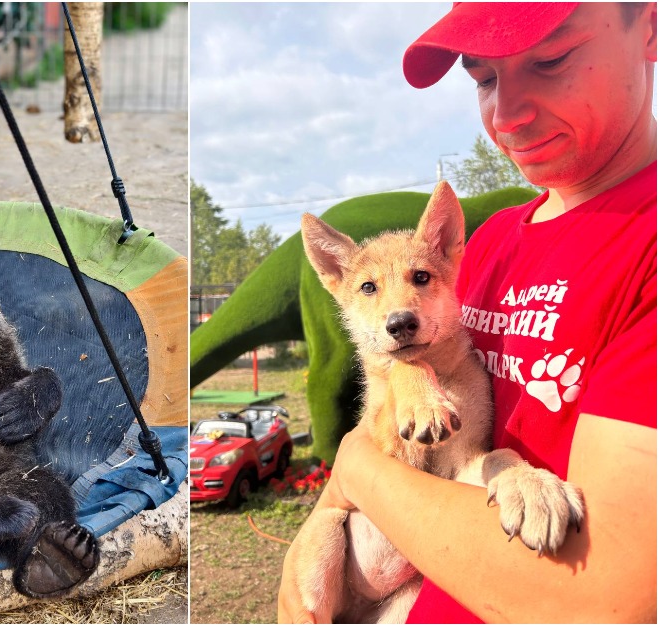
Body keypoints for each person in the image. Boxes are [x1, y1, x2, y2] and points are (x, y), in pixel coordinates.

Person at [278, 2, 657, 623]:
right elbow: (398, 413)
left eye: (552, 58)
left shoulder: (645, 245)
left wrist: (354, 471)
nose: (505, 114)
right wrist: (329, 508)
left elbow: (608, 600)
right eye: (483, 78)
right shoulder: (489, 246)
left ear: (648, 26)